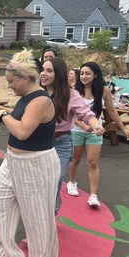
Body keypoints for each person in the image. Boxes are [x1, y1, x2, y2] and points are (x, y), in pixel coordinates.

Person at [0, 50, 60, 257]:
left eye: (11, 81)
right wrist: (4, 114)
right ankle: (8, 253)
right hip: (13, 160)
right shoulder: (26, 98)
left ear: (25, 78)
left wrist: (3, 114)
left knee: (36, 215)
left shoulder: (41, 100)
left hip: (35, 163)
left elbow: (23, 131)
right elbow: (19, 122)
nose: (10, 86)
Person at [39, 56, 105, 213]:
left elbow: (86, 113)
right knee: (39, 183)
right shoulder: (37, 92)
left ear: (59, 74)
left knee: (54, 182)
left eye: (49, 71)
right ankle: (45, 212)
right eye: (42, 70)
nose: (43, 74)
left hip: (61, 143)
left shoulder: (71, 94)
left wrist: (96, 126)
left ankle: (49, 217)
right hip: (39, 143)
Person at [67, 61, 129, 207]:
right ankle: (72, 182)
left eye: (88, 74)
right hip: (76, 130)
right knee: (75, 159)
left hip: (95, 131)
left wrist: (123, 129)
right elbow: (69, 115)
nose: (84, 77)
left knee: (93, 162)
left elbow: (112, 111)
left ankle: (93, 195)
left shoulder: (103, 90)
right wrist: (82, 125)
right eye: (82, 73)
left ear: (95, 75)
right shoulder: (74, 90)